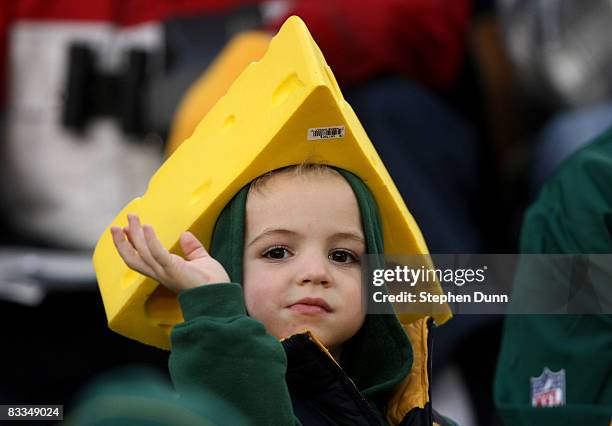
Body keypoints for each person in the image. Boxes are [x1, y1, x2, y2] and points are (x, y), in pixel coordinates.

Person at [110, 163, 457, 425]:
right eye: (277, 252)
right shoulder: (200, 405)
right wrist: (216, 310)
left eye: (342, 256)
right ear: (231, 268)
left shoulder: (416, 413)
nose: (316, 273)